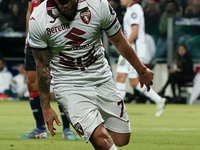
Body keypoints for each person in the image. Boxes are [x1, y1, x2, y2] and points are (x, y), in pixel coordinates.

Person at [28, 0, 154, 149]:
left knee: (122, 139)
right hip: (68, 84)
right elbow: (42, 66)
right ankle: (88, 122)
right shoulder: (38, 18)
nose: (63, 3)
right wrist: (46, 106)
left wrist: (141, 70)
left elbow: (119, 41)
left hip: (101, 78)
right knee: (101, 140)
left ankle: (93, 123)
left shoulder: (98, 4)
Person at [18, 0, 79, 140]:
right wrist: (27, 38)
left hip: (55, 38)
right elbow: (30, 12)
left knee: (61, 81)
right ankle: (40, 128)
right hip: (33, 40)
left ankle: (66, 129)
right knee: (31, 82)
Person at [116, 0, 166, 117]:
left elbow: (135, 32)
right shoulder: (129, 10)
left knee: (128, 80)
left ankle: (119, 110)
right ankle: (158, 100)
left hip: (133, 51)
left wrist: (124, 46)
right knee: (124, 78)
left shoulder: (135, 9)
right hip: (129, 50)